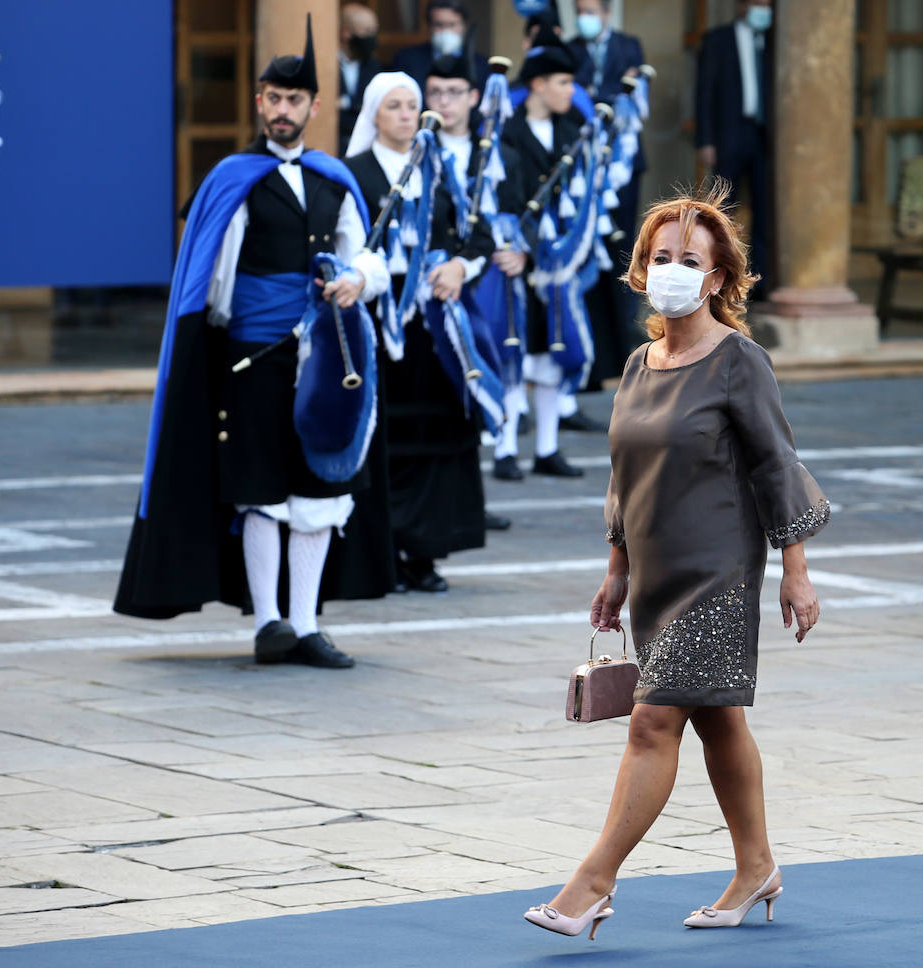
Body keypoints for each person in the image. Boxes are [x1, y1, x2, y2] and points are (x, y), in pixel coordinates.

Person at [522, 184, 828, 939]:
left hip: (719, 573)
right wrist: (617, 567)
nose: (672, 269)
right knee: (718, 720)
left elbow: (776, 465)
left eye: (689, 260)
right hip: (654, 574)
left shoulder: (739, 361)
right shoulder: (638, 363)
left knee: (653, 721)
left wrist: (795, 568)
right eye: (661, 257)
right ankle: (757, 867)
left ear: (719, 278)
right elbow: (624, 474)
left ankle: (591, 884)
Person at [114, 17, 392, 668]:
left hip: (323, 359)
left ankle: (305, 622)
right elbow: (206, 282)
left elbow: (372, 258)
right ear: (259, 103)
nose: (283, 109)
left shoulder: (333, 182)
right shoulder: (231, 179)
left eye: (295, 100)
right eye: (273, 98)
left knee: (319, 487)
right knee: (259, 487)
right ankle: (269, 622)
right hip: (252, 359)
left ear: (314, 108)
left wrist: (355, 280)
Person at [344, 70, 494, 594]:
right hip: (380, 331)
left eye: (413, 105)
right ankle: (383, 549)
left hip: (434, 330)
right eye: (395, 106)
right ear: (374, 116)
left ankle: (425, 551)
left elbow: (478, 237)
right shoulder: (353, 174)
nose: (407, 114)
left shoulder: (441, 168)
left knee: (438, 438)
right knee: (385, 439)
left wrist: (458, 266)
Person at [498, 31, 591, 479]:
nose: (570, 92)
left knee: (552, 353)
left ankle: (547, 447)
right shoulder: (506, 131)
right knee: (513, 349)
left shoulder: (573, 133)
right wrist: (517, 250)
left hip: (556, 266)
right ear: (537, 84)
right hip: (516, 261)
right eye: (562, 82)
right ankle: (505, 447)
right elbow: (502, 199)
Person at [568, 0, 648, 390]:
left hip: (622, 165)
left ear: (605, 12)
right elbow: (580, 93)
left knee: (623, 245)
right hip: (584, 166)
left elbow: (628, 94)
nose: (584, 17)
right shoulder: (570, 47)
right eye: (579, 9)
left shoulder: (629, 44)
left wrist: (598, 94)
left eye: (590, 9)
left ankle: (623, 338)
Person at [695, 0, 772, 300]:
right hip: (728, 135)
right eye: (757, 3)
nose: (763, 9)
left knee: (765, 211)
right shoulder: (718, 40)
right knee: (723, 212)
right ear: (741, 5)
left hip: (764, 136)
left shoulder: (773, 40)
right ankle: (720, 281)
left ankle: (760, 286)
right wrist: (705, 140)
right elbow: (704, 93)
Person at [390, 0, 489, 91]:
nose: (445, 30)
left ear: (463, 26)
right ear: (429, 27)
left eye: (452, 24)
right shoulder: (407, 59)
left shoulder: (481, 65)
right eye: (439, 25)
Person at [338, 2, 383, 156]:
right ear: (346, 33)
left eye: (374, 31)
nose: (372, 37)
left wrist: (344, 105)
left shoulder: (373, 66)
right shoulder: (326, 67)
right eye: (367, 31)